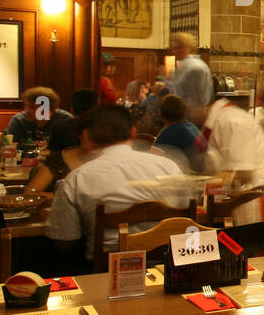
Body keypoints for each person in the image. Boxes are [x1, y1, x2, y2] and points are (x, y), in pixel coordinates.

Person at [45, 103, 188, 261]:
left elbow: (64, 239)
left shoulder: (78, 177)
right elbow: (186, 218)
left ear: (89, 137)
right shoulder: (168, 166)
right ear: (133, 132)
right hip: (166, 266)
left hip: (106, 270)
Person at [203, 93, 264, 228]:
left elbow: (243, 171)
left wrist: (205, 187)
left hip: (261, 199)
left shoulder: (232, 120)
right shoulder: (219, 120)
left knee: (257, 249)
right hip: (248, 198)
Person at [26, 108, 100, 198]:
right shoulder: (61, 158)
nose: (96, 139)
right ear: (79, 134)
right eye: (91, 134)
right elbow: (30, 193)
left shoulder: (113, 160)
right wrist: (66, 198)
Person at [165, 33, 213, 120]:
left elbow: (197, 97)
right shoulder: (183, 65)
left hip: (192, 115)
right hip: (183, 114)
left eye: (176, 48)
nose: (174, 51)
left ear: (185, 48)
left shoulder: (194, 67)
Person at [6, 87, 74, 147]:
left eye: (32, 107)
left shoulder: (65, 120)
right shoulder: (18, 121)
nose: (27, 110)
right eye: (26, 105)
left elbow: (71, 149)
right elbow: (12, 147)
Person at [153, 95, 203, 171]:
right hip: (203, 172)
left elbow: (153, 158)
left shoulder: (170, 133)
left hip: (191, 177)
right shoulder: (191, 126)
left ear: (161, 115)